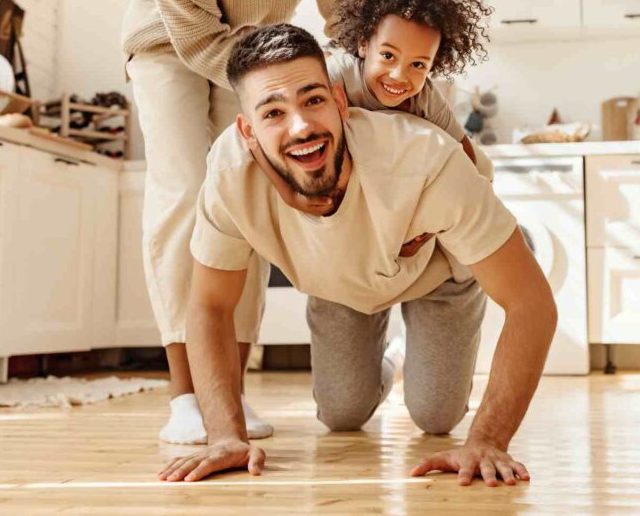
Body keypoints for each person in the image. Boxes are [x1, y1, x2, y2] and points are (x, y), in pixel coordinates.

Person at [158, 24, 558, 487]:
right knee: (341, 413)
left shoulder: (425, 158)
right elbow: (209, 305)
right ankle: (395, 354)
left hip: (435, 273)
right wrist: (225, 436)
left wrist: (488, 438)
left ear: (340, 102)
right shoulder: (229, 176)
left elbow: (533, 304)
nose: (301, 126)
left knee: (435, 414)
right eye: (273, 113)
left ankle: (453, 299)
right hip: (338, 282)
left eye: (313, 100)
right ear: (247, 130)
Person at [122, 0, 359, 444]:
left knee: (242, 199)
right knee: (183, 191)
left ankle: (230, 385)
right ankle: (184, 397)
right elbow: (196, 41)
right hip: (168, 49)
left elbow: (347, 15)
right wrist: (280, 81)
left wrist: (379, 76)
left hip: (255, 56)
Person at [250, 0, 493, 223]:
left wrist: (435, 222)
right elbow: (261, 136)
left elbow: (467, 158)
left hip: (388, 185)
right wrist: (289, 195)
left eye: (418, 64)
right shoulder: (336, 76)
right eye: (388, 56)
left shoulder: (425, 98)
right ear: (364, 45)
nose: (399, 75)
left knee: (486, 168)